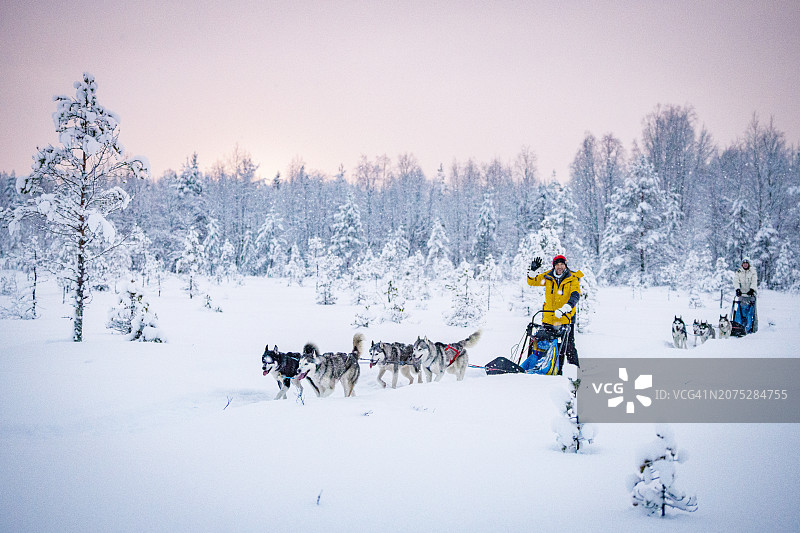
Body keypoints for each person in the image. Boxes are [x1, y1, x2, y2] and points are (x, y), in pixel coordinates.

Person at [525, 254, 583, 371]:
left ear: (565, 265)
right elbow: (533, 282)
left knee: (568, 347)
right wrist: (532, 272)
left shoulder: (572, 278)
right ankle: (542, 367)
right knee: (542, 343)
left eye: (562, 264)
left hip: (565, 317)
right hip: (549, 318)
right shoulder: (548, 277)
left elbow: (575, 295)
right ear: (554, 266)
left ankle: (574, 371)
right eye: (557, 264)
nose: (559, 267)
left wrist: (566, 307)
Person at [734, 257, 758, 333]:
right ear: (742, 264)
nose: (745, 264)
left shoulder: (752, 272)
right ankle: (738, 327)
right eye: (744, 263)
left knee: (750, 313)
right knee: (739, 312)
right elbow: (736, 281)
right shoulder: (739, 272)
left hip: (750, 296)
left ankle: (749, 328)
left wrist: (752, 289)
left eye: (746, 263)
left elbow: (754, 281)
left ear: (748, 264)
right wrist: (737, 289)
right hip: (742, 295)